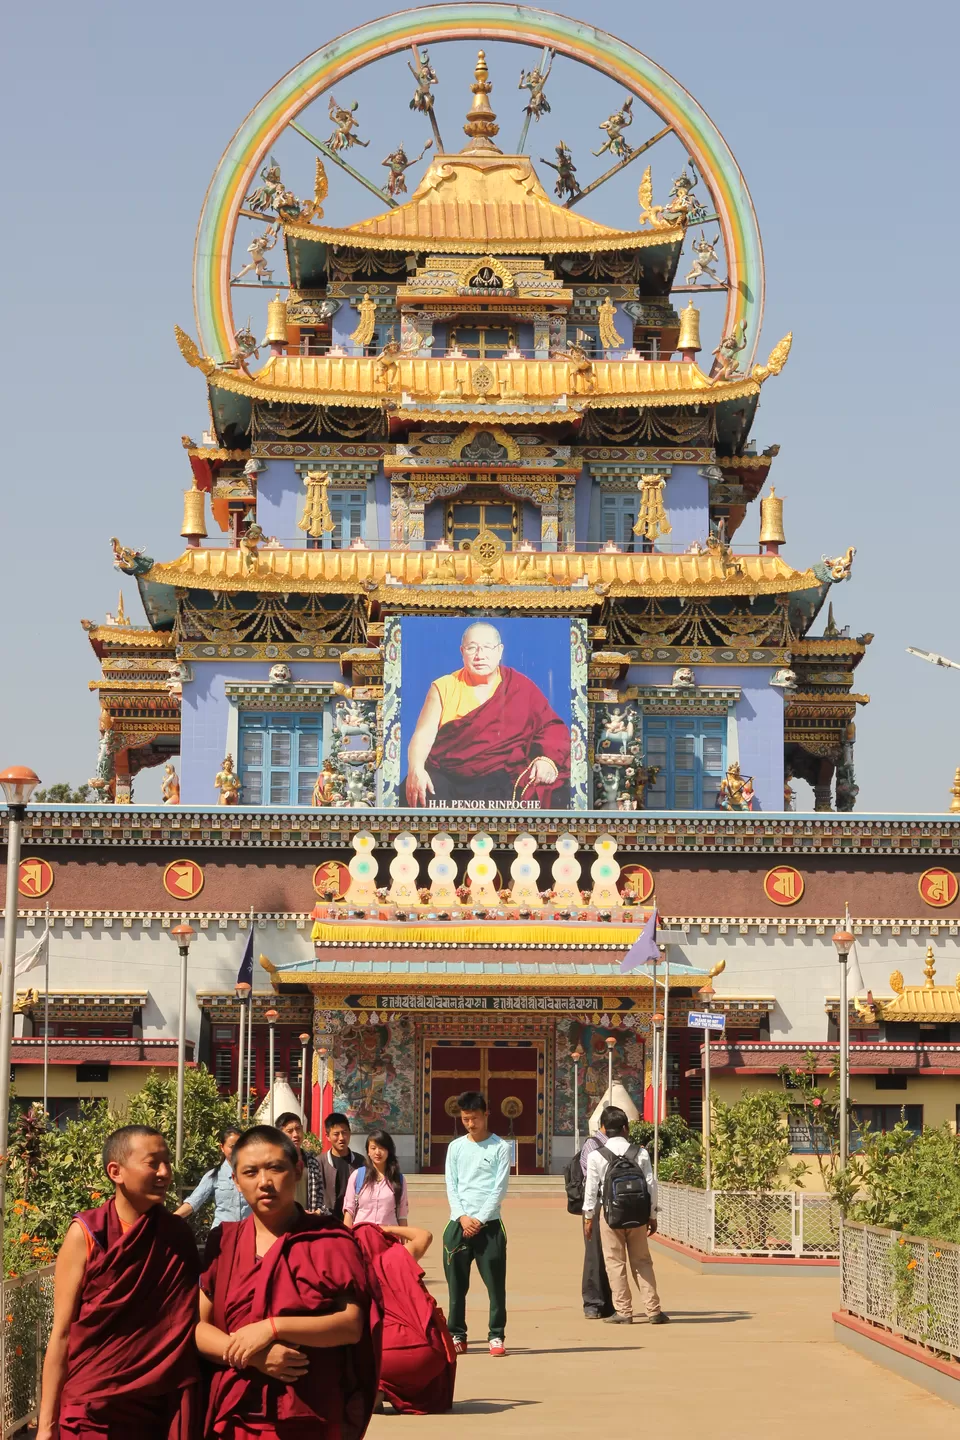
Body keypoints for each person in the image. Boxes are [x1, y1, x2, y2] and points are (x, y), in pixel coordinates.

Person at [196, 1124, 381, 1440]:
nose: (264, 1182)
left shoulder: (330, 1239)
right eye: (251, 1172)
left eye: (276, 1168)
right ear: (236, 1181)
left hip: (309, 1414)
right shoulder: (223, 1241)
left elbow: (351, 1325)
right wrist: (252, 1356)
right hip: (236, 1414)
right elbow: (198, 1326)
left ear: (297, 1170)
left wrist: (273, 1328)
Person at [37, 1125, 201, 1440]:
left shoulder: (176, 1236)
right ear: (116, 1171)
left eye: (167, 1162)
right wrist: (46, 1427)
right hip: (94, 1406)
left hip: (158, 1404)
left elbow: (186, 1321)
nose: (165, 1172)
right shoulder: (87, 1232)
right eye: (153, 1163)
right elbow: (61, 1333)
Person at [404, 621, 571, 808]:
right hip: (450, 778)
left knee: (553, 791)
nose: (479, 656)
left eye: (487, 648)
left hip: (503, 777)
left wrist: (546, 759)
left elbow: (550, 727)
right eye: (472, 648)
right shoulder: (444, 686)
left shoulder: (519, 687)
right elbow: (423, 734)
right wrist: (416, 768)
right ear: (462, 651)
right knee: (420, 790)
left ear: (499, 651)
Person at [351, 1223, 455, 1414]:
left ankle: (377, 1391)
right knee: (424, 1371)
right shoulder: (398, 1256)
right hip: (430, 1352)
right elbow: (426, 1235)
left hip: (387, 1355)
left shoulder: (355, 1272)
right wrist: (387, 1229)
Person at [582, 1105, 668, 1325]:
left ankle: (624, 1311)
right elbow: (650, 1184)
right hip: (638, 1216)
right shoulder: (640, 1153)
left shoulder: (596, 1156)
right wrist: (652, 1215)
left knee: (615, 1262)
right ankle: (653, 1310)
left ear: (604, 1128)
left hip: (611, 1216)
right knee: (642, 1262)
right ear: (625, 1128)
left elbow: (591, 1189)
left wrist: (588, 1217)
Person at [443, 1090, 511, 1357]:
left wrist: (480, 1219)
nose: (470, 1123)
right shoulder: (456, 1147)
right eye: (466, 1118)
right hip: (458, 1224)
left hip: (490, 1225)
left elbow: (499, 1188)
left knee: (495, 1284)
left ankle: (496, 1335)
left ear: (486, 1115)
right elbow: (452, 1184)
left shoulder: (500, 1148)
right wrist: (462, 1217)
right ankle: (457, 1333)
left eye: (475, 1118)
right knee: (457, 1285)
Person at [175, 1125, 251, 1229]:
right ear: (222, 1147)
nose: (236, 1150)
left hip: (248, 1233)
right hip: (222, 1235)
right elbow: (194, 1201)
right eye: (232, 1146)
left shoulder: (253, 1174)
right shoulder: (214, 1175)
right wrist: (171, 1219)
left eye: (240, 1146)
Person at [577, 1130, 614, 1319]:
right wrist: (589, 1215)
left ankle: (609, 1303)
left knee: (613, 1255)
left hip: (616, 1204)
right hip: (596, 1204)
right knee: (595, 1254)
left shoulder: (622, 1146)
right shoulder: (593, 1146)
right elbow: (592, 1182)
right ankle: (592, 1302)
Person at [343, 1128, 409, 1228]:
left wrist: (404, 1240)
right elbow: (349, 1210)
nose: (377, 1152)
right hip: (362, 1236)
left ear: (389, 1151)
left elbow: (402, 1215)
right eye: (373, 1148)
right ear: (368, 1151)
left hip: (388, 1238)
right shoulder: (357, 1176)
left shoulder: (398, 1179)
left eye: (382, 1148)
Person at [319, 1112, 365, 1220]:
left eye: (344, 1133)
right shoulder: (319, 1162)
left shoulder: (360, 1162)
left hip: (354, 1220)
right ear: (327, 1136)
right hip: (328, 1222)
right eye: (336, 1134)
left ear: (350, 1133)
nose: (341, 1138)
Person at [276, 1112, 325, 1214]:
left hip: (308, 1220)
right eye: (290, 1131)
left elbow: (320, 1194)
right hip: (284, 1220)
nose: (295, 1135)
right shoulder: (275, 1163)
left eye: (298, 1129)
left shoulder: (312, 1162)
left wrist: (317, 1212)